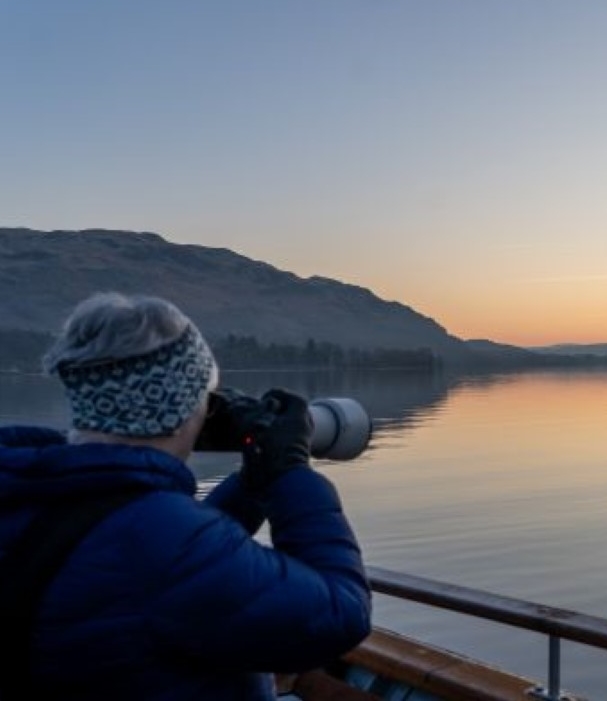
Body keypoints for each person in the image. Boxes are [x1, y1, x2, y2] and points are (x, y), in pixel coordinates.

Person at [0, 293, 371, 699]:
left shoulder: (38, 489)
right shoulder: (161, 538)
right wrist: (290, 473)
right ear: (181, 406)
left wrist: (253, 481)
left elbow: (161, 556)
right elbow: (341, 615)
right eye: (207, 397)